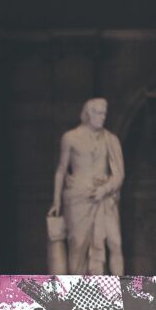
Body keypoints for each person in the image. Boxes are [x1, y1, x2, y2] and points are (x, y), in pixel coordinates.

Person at [48, 97, 126, 276]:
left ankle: (120, 286)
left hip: (105, 197)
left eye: (104, 113)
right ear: (88, 114)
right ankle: (78, 287)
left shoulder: (111, 139)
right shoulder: (70, 138)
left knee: (115, 242)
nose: (103, 117)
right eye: (99, 113)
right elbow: (61, 170)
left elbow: (119, 174)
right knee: (78, 245)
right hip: (78, 198)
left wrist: (104, 190)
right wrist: (56, 201)